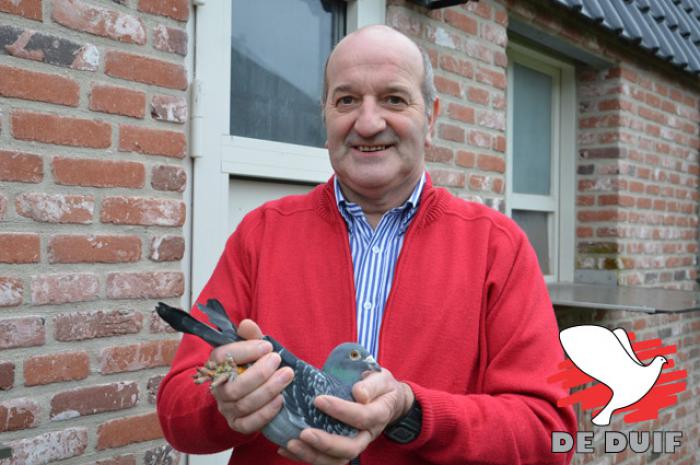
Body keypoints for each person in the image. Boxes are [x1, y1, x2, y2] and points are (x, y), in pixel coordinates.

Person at [157, 25, 576, 465]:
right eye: (346, 100)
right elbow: (176, 412)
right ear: (326, 118)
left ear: (430, 119)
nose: (368, 122)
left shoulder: (498, 248)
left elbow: (549, 434)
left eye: (394, 99)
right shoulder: (261, 233)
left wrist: (412, 413)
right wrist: (225, 404)